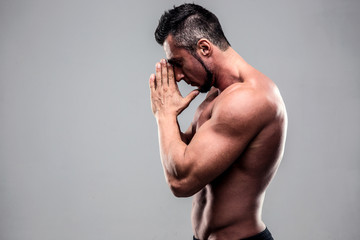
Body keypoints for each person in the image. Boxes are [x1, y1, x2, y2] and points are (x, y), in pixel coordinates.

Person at [149, 3, 287, 240]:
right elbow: (183, 155)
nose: (178, 76)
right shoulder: (217, 95)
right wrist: (169, 113)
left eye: (179, 63)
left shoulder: (248, 99)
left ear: (204, 47)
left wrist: (164, 115)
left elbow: (181, 181)